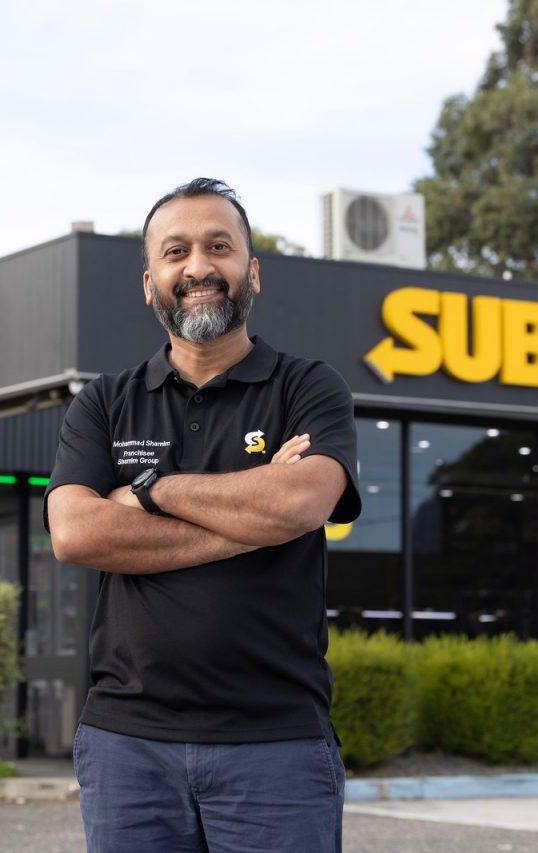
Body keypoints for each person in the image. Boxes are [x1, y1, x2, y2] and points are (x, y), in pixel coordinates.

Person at [45, 177, 361, 852]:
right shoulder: (104, 402)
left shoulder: (308, 387)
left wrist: (147, 489)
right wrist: (254, 520)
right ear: (149, 283)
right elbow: (74, 532)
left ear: (252, 271)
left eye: (219, 247)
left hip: (275, 742)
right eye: (176, 251)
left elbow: (303, 502)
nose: (198, 267)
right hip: (127, 744)